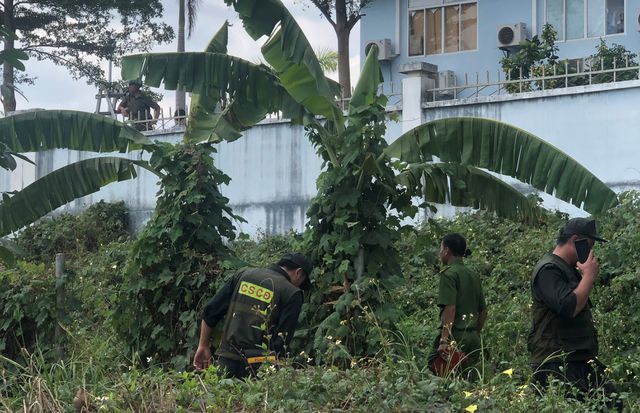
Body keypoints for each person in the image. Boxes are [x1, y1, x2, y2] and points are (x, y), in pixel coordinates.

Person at [528, 217, 621, 410]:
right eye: (589, 244)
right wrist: (588, 276)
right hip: (557, 361)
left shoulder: (567, 269)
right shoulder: (548, 270)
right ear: (575, 239)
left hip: (577, 357)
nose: (591, 250)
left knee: (613, 403)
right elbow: (569, 307)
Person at [192, 252, 312, 379]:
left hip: (227, 359)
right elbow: (282, 341)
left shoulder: (243, 274)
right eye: (301, 282)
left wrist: (203, 345)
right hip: (260, 367)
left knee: (222, 396)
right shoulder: (292, 293)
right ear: (298, 272)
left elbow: (210, 312)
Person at [428, 233, 488, 375]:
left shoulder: (449, 274)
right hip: (473, 337)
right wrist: (475, 333)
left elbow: (450, 308)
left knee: (435, 368)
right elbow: (483, 312)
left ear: (447, 250)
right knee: (468, 379)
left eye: (441, 248)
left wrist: (444, 340)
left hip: (455, 337)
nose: (440, 252)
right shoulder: (473, 275)